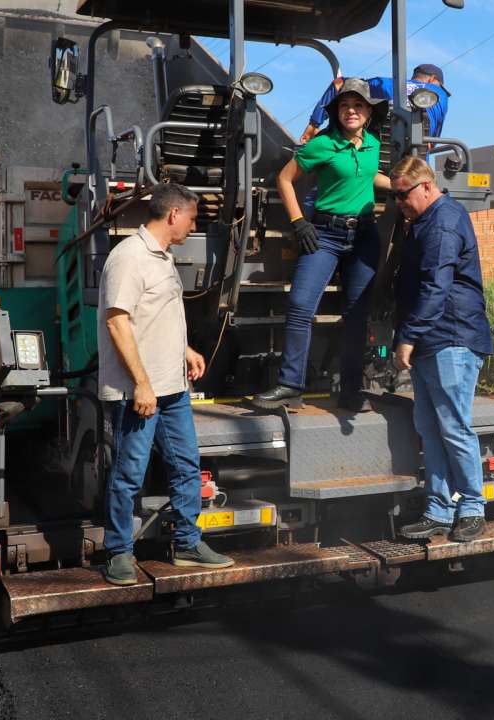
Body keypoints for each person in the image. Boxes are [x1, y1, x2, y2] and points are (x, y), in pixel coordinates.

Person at [98, 183, 233, 586]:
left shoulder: (163, 256)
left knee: (187, 466)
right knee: (129, 474)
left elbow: (154, 317)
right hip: (139, 392)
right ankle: (118, 553)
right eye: (192, 218)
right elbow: (117, 322)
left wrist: (185, 350)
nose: (193, 225)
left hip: (172, 388)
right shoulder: (129, 257)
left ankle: (188, 544)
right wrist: (142, 384)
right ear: (174, 214)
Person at [254, 78, 391, 411]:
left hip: (364, 236)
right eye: (345, 105)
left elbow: (367, 175)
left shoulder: (372, 144)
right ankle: (290, 386)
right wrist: (298, 221)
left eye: (358, 105)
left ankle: (351, 391)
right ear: (336, 111)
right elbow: (284, 178)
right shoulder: (321, 144)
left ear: (369, 112)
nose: (351, 111)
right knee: (300, 305)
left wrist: (405, 185)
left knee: (357, 316)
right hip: (325, 235)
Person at [389, 156, 494, 544]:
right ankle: (438, 511)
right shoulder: (424, 221)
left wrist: (408, 337)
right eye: (395, 196)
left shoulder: (444, 222)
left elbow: (436, 286)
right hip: (432, 339)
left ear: (427, 186)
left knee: (453, 426)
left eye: (404, 195)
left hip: (451, 337)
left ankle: (472, 508)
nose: (400, 203)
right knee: (430, 429)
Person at [298, 64, 450, 144]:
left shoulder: (387, 84)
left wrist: (313, 125)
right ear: (432, 79)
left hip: (378, 159)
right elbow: (431, 144)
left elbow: (339, 83)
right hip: (418, 165)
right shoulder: (441, 94)